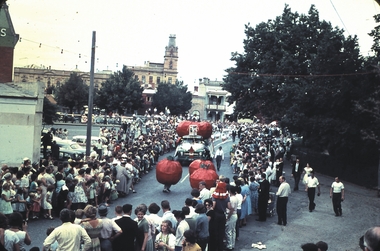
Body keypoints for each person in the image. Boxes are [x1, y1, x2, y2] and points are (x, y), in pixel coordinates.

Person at [211, 177, 231, 251]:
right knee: (221, 232)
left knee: (215, 231)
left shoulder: (214, 196)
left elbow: (213, 206)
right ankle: (221, 247)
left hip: (216, 215)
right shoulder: (226, 197)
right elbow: (229, 207)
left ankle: (215, 247)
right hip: (223, 215)